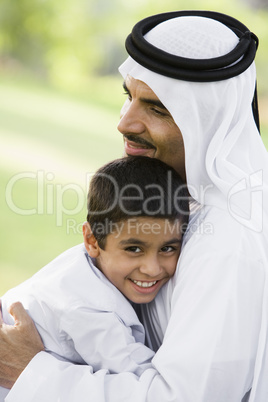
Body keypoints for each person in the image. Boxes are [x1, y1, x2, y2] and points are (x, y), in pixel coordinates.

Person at [1, 9, 268, 402]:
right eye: (129, 97)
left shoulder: (228, 240)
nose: (125, 122)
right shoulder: (184, 201)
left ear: (209, 122)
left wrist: (29, 372)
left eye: (157, 109)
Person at [0, 155, 189, 401]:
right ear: (91, 240)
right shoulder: (91, 313)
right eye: (133, 249)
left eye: (167, 249)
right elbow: (148, 385)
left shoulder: (82, 266)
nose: (152, 269)